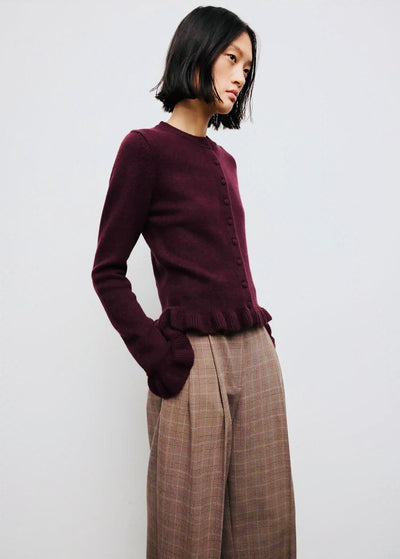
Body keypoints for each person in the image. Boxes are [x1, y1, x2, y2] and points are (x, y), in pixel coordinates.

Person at [91, 6, 296, 558]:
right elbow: (107, 269)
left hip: (255, 354)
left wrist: (261, 343)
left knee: (266, 527)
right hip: (193, 360)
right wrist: (157, 355)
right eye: (232, 58)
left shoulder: (226, 160)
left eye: (248, 67)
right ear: (197, 52)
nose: (241, 75)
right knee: (188, 532)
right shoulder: (144, 149)